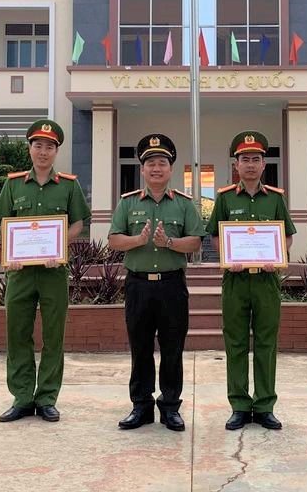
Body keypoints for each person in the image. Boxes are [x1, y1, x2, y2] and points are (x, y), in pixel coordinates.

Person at [0, 120, 90, 424]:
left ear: (56, 150)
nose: (43, 151)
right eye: (38, 146)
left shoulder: (70, 186)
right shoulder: (13, 184)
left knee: (53, 336)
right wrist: (11, 254)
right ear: (29, 149)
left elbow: (78, 224)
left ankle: (47, 397)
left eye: (49, 146)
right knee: (17, 334)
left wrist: (59, 244)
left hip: (53, 272)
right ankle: (22, 397)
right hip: (20, 273)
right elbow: (5, 223)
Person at [108, 134, 204, 432]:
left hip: (172, 285)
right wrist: (138, 240)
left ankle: (171, 407)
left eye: (162, 162)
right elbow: (113, 240)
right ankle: (141, 406)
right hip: (138, 285)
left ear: (171, 168)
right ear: (142, 169)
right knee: (140, 347)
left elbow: (196, 243)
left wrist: (169, 242)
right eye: (150, 163)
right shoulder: (127, 203)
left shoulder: (185, 205)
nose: (156, 168)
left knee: (173, 348)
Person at [207, 131, 295, 431]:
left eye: (256, 159)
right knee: (236, 342)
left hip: (267, 281)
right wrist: (229, 257)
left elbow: (287, 236)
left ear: (264, 164)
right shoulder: (225, 198)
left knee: (267, 343)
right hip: (235, 280)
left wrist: (278, 253)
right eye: (245, 159)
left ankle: (266, 405)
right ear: (236, 164)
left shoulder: (276, 199)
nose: (250, 165)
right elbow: (217, 236)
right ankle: (240, 405)